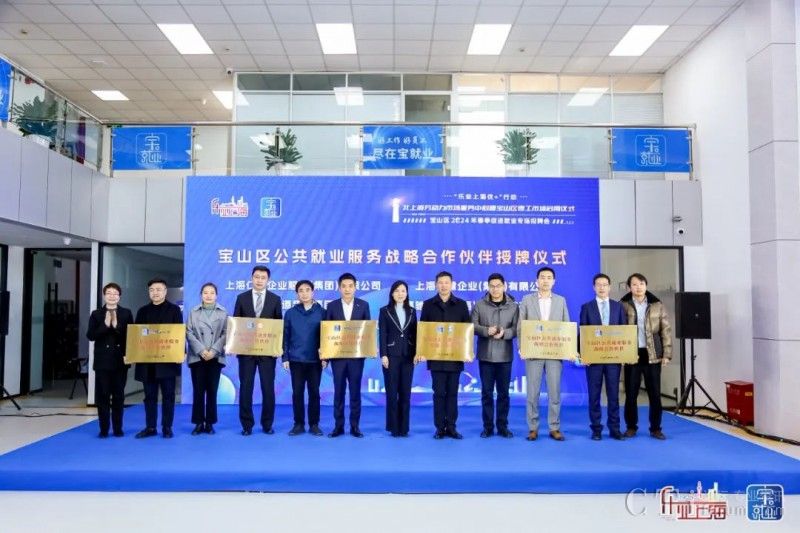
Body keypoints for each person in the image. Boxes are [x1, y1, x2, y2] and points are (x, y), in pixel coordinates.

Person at [518, 267, 571, 441]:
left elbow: (566, 326)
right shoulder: (527, 300)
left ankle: (554, 427)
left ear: (553, 281)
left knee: (554, 391)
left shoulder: (561, 301)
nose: (545, 280)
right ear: (537, 281)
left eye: (549, 277)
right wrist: (522, 347)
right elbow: (521, 325)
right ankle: (533, 428)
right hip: (533, 352)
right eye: (542, 277)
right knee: (532, 392)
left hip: (554, 353)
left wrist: (568, 349)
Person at [418, 271, 471, 440]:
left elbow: (467, 330)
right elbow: (423, 330)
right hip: (436, 358)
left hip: (455, 357)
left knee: (453, 393)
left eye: (446, 282)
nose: (443, 285)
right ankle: (440, 427)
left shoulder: (461, 305)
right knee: (439, 393)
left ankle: (452, 427)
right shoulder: (428, 305)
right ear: (436, 285)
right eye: (440, 282)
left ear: (452, 284)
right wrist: (422, 351)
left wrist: (467, 352)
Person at [620, 273, 672, 440]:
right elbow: (618, 330)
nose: (638, 287)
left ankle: (655, 428)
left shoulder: (657, 305)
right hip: (631, 355)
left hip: (653, 354)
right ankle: (631, 427)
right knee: (631, 394)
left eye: (641, 283)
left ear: (646, 285)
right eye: (635, 284)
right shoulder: (623, 305)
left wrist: (667, 354)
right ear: (629, 287)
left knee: (655, 394)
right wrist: (620, 354)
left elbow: (666, 330)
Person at [233, 266, 282, 436]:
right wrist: (233, 345)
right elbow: (236, 324)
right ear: (251, 278)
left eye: (263, 277)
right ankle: (247, 425)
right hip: (246, 352)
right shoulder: (242, 298)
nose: (259, 280)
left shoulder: (275, 299)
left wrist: (277, 347)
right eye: (256, 277)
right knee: (246, 388)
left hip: (267, 353)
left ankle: (267, 424)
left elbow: (278, 326)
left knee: (268, 388)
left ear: (268, 280)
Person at [579, 273, 627, 441]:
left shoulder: (618, 307)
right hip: (593, 359)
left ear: (609, 287)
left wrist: (624, 353)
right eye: (598, 284)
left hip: (613, 359)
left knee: (614, 395)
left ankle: (615, 428)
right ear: (594, 287)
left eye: (604, 284)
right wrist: (584, 354)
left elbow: (623, 331)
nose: (601, 287)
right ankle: (596, 429)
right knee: (594, 395)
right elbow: (583, 333)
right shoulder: (587, 307)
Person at [134, 278, 183, 439]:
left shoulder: (174, 310)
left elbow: (179, 333)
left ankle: (167, 427)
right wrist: (133, 353)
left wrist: (180, 353)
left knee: (168, 396)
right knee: (149, 397)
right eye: (152, 290)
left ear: (165, 291)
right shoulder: (142, 311)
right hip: (147, 362)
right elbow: (136, 335)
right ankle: (150, 427)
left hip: (167, 361)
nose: (155, 292)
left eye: (158, 289)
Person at [472, 273, 518, 438]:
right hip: (485, 356)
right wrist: (486, 330)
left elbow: (518, 329)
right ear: (488, 287)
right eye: (492, 286)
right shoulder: (479, 305)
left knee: (504, 394)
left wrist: (505, 333)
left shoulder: (513, 306)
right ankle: (488, 427)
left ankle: (503, 426)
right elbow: (472, 326)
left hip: (505, 356)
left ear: (504, 286)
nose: (495, 289)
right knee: (486, 393)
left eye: (498, 286)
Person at [325, 273, 371, 438]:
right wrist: (325, 356)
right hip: (337, 357)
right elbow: (327, 332)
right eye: (344, 286)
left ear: (355, 288)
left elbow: (367, 331)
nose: (347, 289)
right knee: (338, 392)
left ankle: (355, 426)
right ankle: (338, 426)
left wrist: (369, 348)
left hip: (356, 358)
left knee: (355, 392)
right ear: (339, 288)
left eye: (350, 286)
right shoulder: (332, 306)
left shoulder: (363, 305)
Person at [86, 282, 133, 438]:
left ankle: (118, 428)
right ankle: (104, 429)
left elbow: (131, 337)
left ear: (119, 296)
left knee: (119, 396)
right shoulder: (96, 314)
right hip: (102, 362)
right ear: (104, 295)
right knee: (103, 397)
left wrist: (116, 326)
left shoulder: (126, 313)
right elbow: (90, 336)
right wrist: (105, 325)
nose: (112, 296)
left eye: (115, 293)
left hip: (120, 361)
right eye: (109, 293)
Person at [282, 280, 326, 436]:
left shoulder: (322, 312)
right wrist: (285, 357)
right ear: (297, 294)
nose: (304, 293)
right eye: (301, 290)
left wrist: (326, 357)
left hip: (315, 360)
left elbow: (327, 337)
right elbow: (285, 337)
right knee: (297, 393)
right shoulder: (290, 313)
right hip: (296, 360)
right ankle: (298, 424)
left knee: (314, 393)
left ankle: (314, 424)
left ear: (313, 292)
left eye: (308, 290)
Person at [186, 283, 227, 436]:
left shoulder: (223, 312)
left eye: (212, 293)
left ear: (216, 295)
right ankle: (198, 423)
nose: (208, 295)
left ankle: (209, 423)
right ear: (201, 295)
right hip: (198, 356)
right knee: (198, 391)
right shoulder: (193, 311)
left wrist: (214, 350)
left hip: (215, 357)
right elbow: (189, 332)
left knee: (212, 391)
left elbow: (226, 333)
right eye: (205, 292)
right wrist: (201, 350)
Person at [378, 280, 417, 437]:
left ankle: (404, 427)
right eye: (397, 291)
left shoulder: (412, 311)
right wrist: (383, 354)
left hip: (408, 355)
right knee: (392, 392)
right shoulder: (384, 311)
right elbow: (382, 333)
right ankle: (393, 427)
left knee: (405, 393)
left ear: (407, 293)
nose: (400, 294)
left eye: (403, 291)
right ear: (392, 293)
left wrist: (417, 352)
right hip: (391, 356)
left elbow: (416, 334)